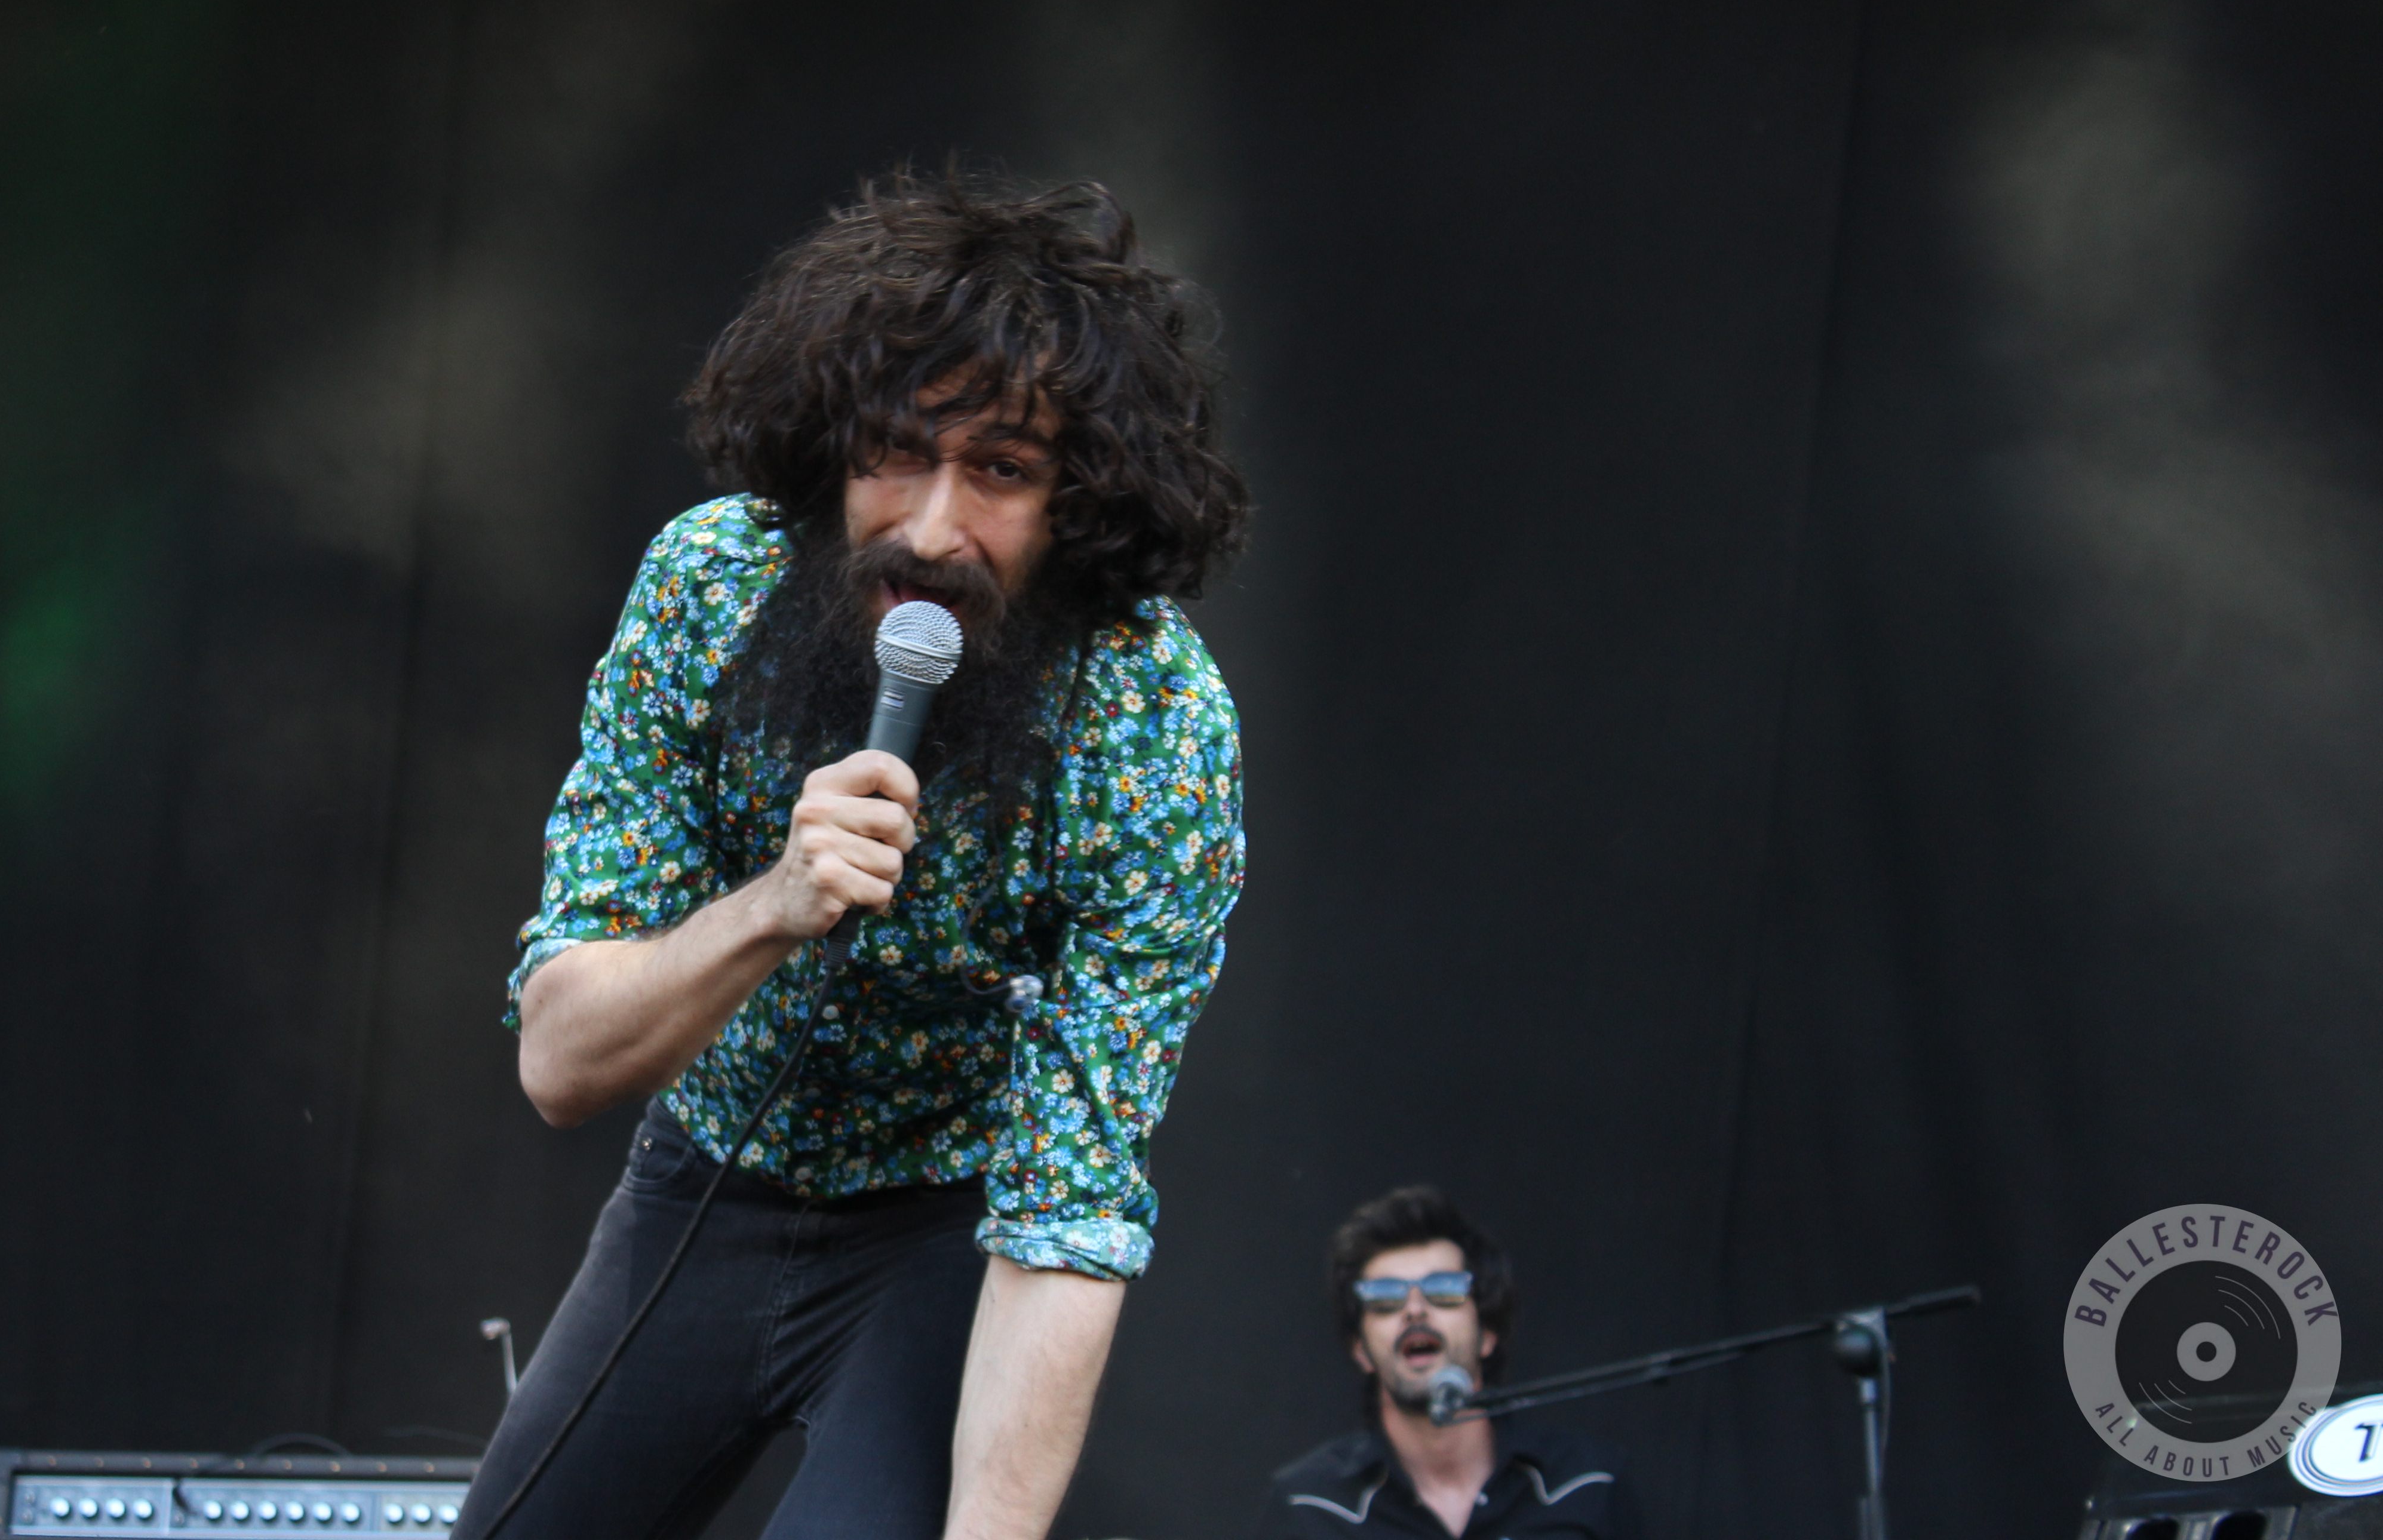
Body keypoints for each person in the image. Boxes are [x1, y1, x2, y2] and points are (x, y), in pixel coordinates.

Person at [452, 170, 1250, 1540]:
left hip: (941, 1232)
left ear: (1078, 501)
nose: (931, 531)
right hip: (699, 1182)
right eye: (894, 452)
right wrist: (772, 904)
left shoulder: (1152, 719)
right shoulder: (708, 586)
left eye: (1000, 470)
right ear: (828, 449)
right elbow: (561, 1063)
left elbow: (1069, 1212)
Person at [1255, 1186, 1641, 1539]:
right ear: (1361, 1350)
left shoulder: (1588, 1484)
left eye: (1444, 1290)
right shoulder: (1309, 1505)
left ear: (1487, 1333)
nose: (1415, 1310)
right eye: (1385, 1298)